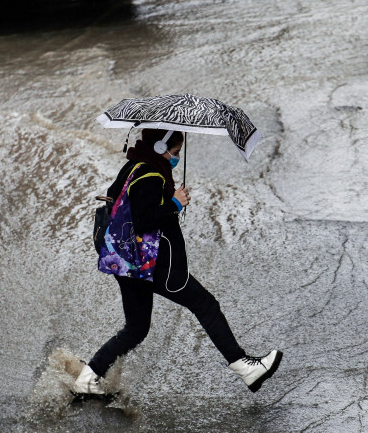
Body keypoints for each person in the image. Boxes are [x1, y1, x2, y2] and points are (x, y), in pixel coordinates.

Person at [74, 128, 282, 395]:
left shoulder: (134, 166)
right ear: (160, 147)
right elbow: (142, 220)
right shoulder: (151, 176)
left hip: (124, 261)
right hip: (152, 263)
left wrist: (170, 200)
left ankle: (87, 379)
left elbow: (121, 202)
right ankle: (244, 366)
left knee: (136, 328)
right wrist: (174, 204)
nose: (177, 157)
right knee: (205, 304)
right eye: (175, 152)